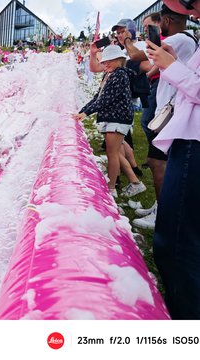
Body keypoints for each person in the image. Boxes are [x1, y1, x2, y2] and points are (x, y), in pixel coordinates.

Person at [145, 0, 200, 320]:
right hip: (189, 140)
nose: (191, 11)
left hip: (194, 144)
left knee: (177, 243)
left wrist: (172, 67)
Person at [73, 45, 146, 198]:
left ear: (118, 60)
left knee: (112, 153)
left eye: (107, 61)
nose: (104, 64)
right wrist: (81, 111)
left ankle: (111, 188)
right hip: (113, 117)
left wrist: (86, 113)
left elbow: (106, 99)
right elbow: (97, 97)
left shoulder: (119, 75)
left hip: (117, 118)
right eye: (104, 62)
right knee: (115, 152)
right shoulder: (109, 74)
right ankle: (135, 183)